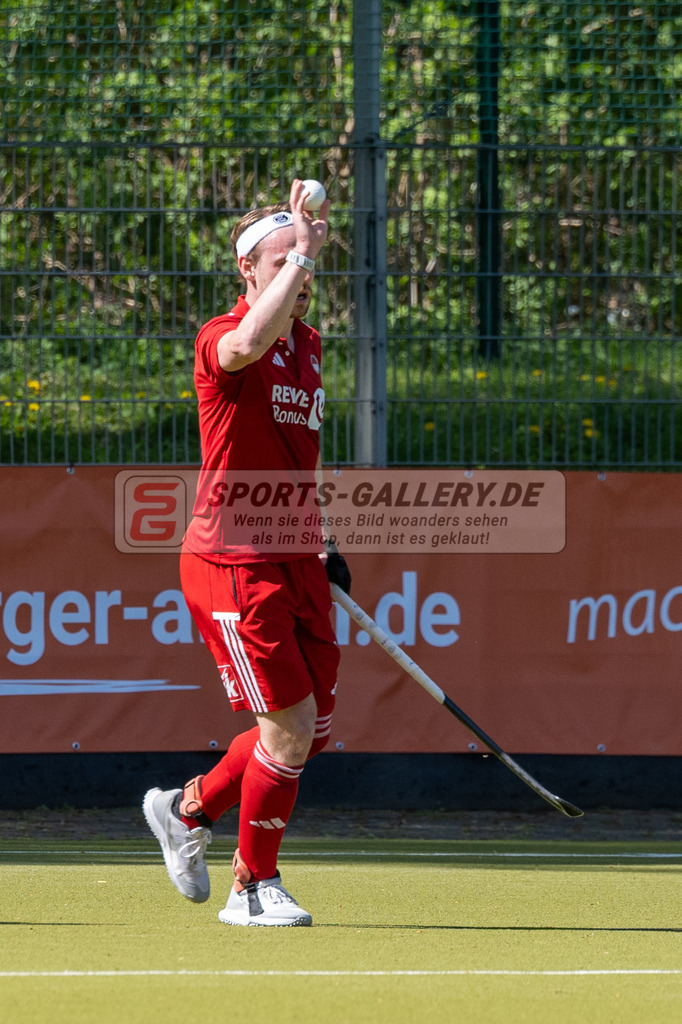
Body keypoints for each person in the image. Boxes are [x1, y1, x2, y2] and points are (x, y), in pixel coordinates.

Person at [143, 180, 350, 927]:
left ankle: (186, 810)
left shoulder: (313, 348)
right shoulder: (221, 338)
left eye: (307, 262)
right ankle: (251, 888)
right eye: (283, 260)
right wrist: (303, 249)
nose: (300, 274)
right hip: (232, 559)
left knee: (311, 731)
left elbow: (300, 458)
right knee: (288, 727)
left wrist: (322, 539)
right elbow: (249, 341)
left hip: (295, 555)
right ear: (249, 271)